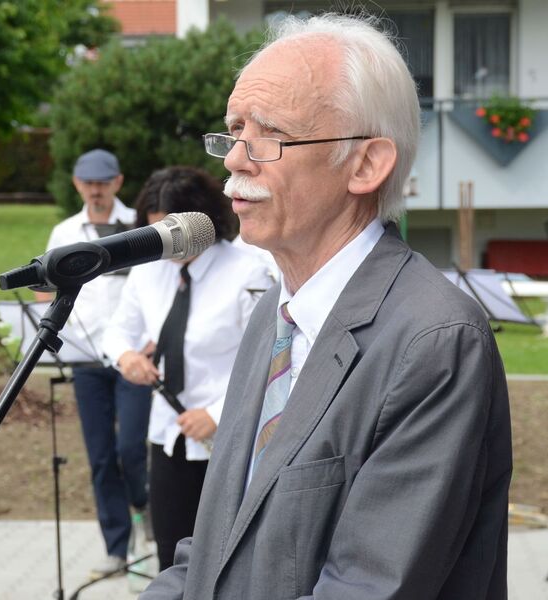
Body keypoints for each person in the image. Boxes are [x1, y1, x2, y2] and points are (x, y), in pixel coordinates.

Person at [139, 12, 512, 600]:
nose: (236, 159)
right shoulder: (276, 313)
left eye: (270, 135)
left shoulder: (433, 342)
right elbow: (215, 545)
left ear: (365, 165)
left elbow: (368, 586)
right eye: (234, 131)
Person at [102, 166, 273, 572]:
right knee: (171, 559)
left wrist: (216, 413)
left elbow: (269, 356)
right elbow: (116, 332)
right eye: (153, 233)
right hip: (169, 437)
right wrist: (127, 358)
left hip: (233, 441)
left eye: (169, 235)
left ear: (199, 224)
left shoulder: (248, 270)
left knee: (228, 562)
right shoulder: (148, 271)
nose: (162, 245)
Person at [37, 148, 152, 578]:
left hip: (132, 358)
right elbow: (43, 287)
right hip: (86, 359)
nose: (96, 190)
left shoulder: (135, 227)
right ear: (77, 185)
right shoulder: (64, 231)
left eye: (103, 183)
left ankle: (143, 507)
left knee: (131, 450)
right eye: (89, 183)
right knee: (101, 457)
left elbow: (156, 286)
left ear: (118, 183)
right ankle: (117, 549)